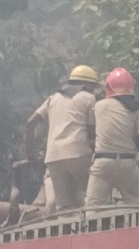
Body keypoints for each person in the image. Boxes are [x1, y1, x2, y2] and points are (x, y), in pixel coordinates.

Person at [25, 66, 101, 211]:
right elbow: (92, 133)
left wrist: (30, 152)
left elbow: (30, 123)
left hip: (53, 158)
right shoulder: (88, 98)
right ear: (87, 85)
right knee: (91, 199)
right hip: (78, 153)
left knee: (64, 206)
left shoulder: (53, 98)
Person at [86, 67, 139, 207]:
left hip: (103, 162)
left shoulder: (98, 106)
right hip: (127, 162)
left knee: (93, 207)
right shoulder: (136, 108)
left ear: (108, 87)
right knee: (138, 205)